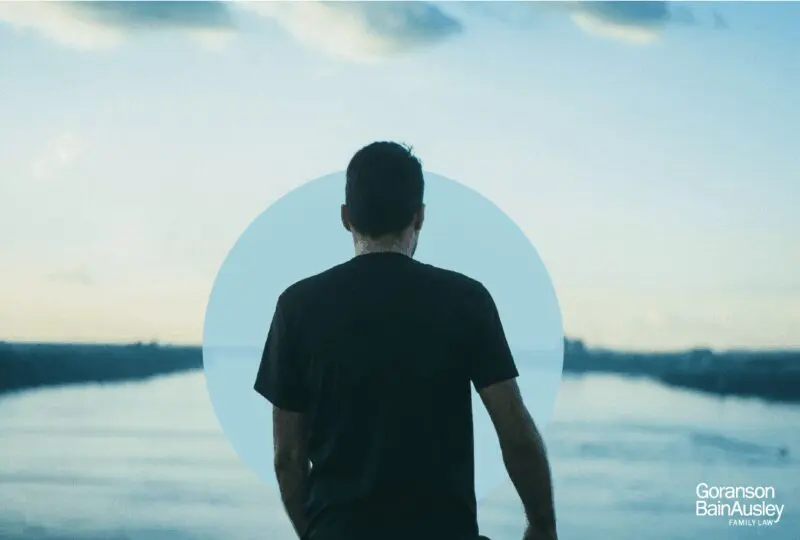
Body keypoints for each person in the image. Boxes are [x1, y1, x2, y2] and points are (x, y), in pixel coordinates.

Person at [254, 141, 558, 540]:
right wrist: (541, 526)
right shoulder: (465, 300)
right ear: (419, 216)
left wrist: (317, 533)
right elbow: (516, 435)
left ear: (346, 217)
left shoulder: (297, 306)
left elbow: (287, 458)